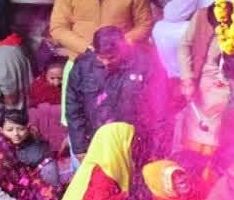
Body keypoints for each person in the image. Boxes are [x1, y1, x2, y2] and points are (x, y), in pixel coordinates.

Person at [65, 27, 168, 157]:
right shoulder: (83, 67)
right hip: (97, 143)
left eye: (112, 58)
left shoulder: (145, 64)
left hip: (137, 145)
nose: (106, 63)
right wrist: (80, 148)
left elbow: (160, 109)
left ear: (122, 49)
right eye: (101, 58)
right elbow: (73, 110)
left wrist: (158, 150)